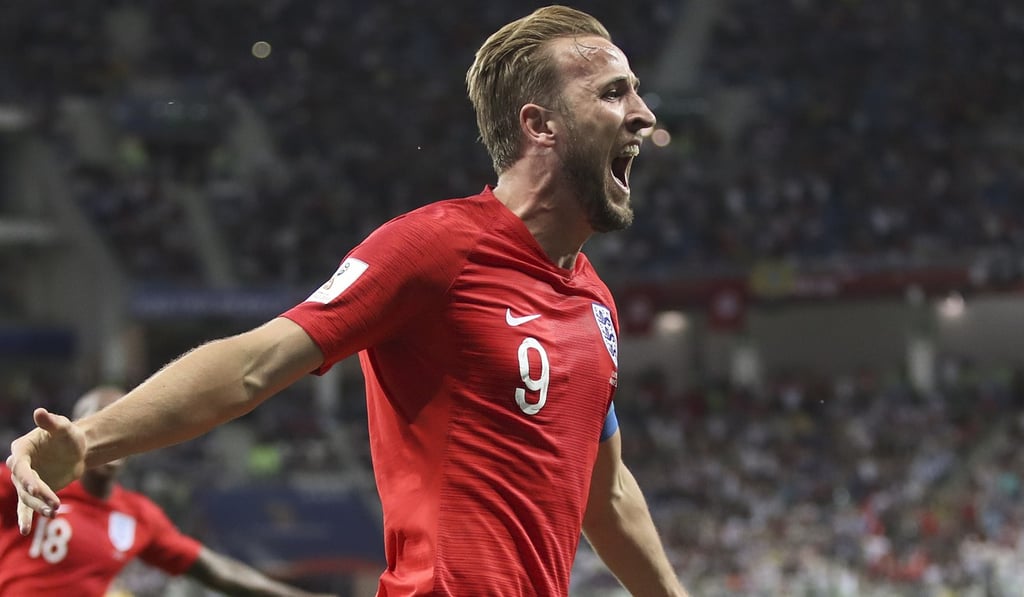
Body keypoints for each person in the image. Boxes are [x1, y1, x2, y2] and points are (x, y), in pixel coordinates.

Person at [8, 6, 689, 596]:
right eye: (613, 92)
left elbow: (609, 492)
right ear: (541, 124)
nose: (643, 112)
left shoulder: (595, 300)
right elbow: (255, 362)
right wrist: (90, 440)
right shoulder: (436, 247)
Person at [0, 386, 336, 597]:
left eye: (120, 426)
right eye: (96, 423)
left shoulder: (139, 516)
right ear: (71, 431)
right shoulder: (28, 480)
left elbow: (217, 571)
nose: (106, 436)